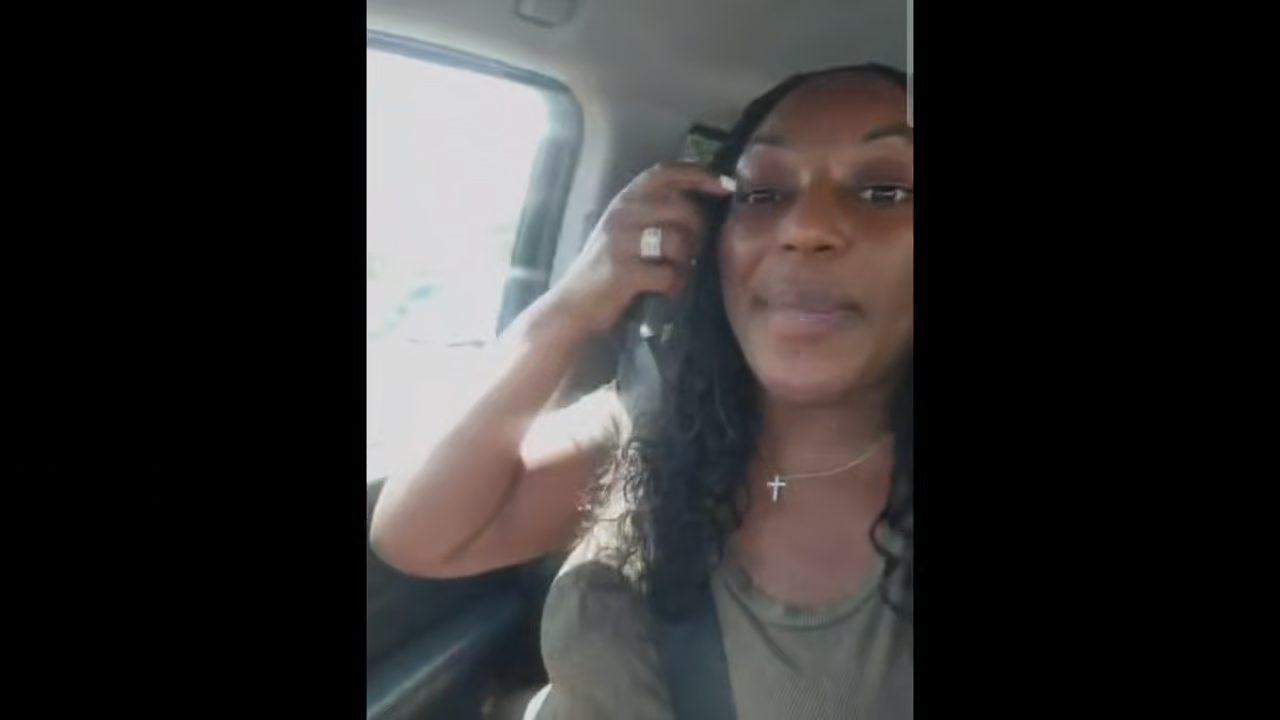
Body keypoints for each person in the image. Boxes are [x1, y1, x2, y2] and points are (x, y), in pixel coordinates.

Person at [371, 63, 914, 719]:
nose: (804, 228)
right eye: (763, 194)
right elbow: (417, 536)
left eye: (885, 191)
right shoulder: (649, 429)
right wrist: (570, 305)